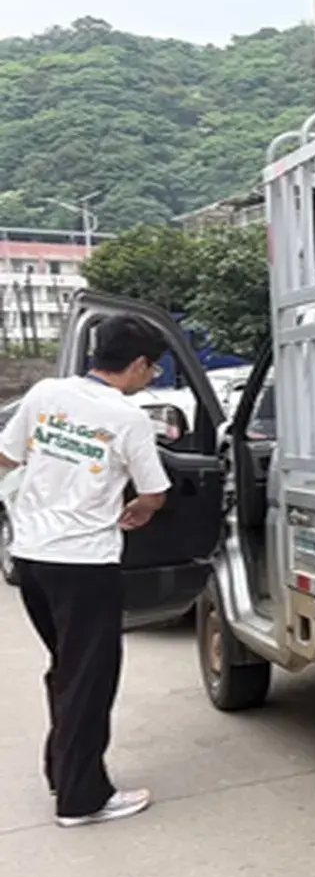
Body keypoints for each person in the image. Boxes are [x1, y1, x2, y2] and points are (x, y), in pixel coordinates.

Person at [0, 314, 173, 827]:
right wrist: (141, 509)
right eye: (152, 369)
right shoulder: (128, 417)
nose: (150, 378)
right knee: (89, 678)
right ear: (137, 364)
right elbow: (155, 492)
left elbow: (6, 457)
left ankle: (63, 770)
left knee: (67, 670)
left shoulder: (45, 393)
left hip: (32, 559)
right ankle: (82, 798)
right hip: (85, 563)